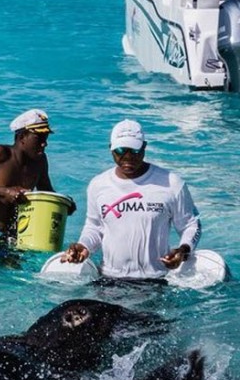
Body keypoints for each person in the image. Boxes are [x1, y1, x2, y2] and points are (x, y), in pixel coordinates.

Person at [62, 119, 201, 279]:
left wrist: (183, 250)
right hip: (109, 279)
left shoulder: (171, 183)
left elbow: (191, 225)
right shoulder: (98, 185)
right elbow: (94, 227)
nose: (127, 157)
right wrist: (83, 245)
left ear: (144, 147)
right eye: (120, 150)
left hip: (155, 280)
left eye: (134, 151)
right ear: (111, 149)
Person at [0, 108, 75, 248]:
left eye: (46, 138)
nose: (44, 144)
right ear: (22, 137)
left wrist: (63, 203)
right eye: (39, 138)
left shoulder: (40, 161)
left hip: (18, 239)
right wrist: (4, 192)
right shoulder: (0, 154)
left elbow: (46, 191)